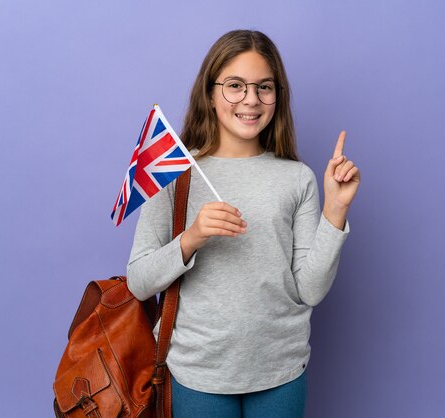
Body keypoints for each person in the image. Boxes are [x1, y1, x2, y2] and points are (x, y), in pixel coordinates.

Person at [127, 29, 360, 418]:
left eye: (264, 87)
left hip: (281, 369)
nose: (251, 100)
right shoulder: (173, 173)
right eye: (235, 85)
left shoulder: (297, 178)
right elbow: (138, 280)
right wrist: (192, 237)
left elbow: (311, 290)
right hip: (197, 371)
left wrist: (335, 213)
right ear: (211, 92)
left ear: (277, 96)